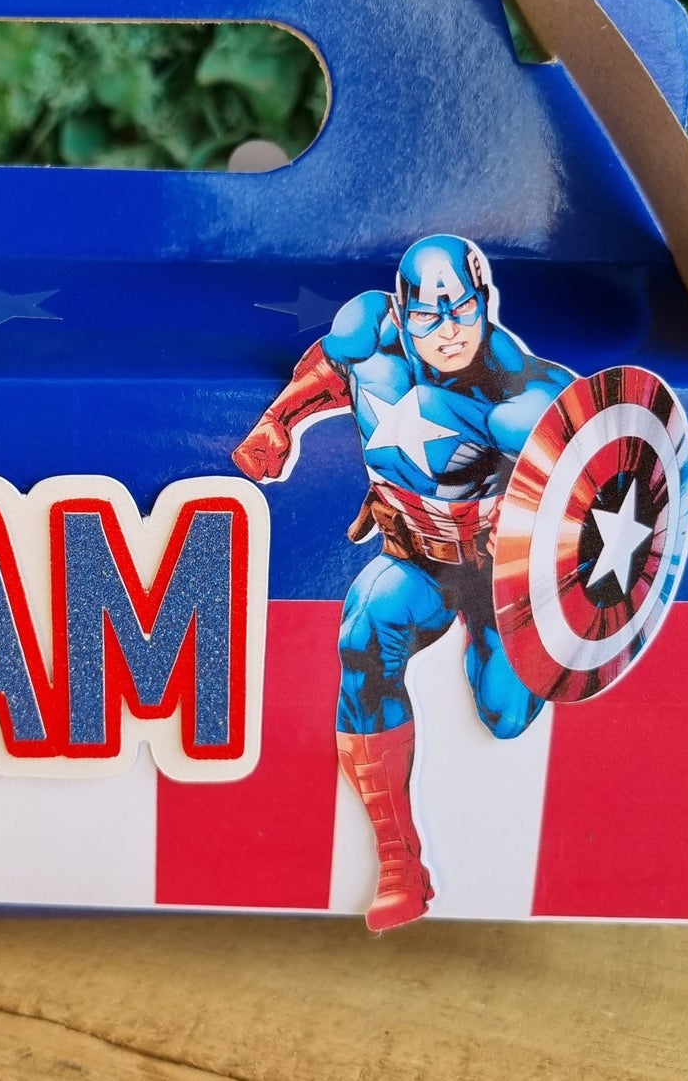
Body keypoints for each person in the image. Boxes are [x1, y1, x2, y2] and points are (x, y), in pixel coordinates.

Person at [233, 235, 573, 931]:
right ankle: (398, 859)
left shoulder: (520, 396)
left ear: (484, 302)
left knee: (504, 717)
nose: (448, 330)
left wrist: (558, 569)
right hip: (416, 557)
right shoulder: (369, 335)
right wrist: (279, 421)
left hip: (497, 575)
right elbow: (330, 366)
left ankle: (513, 654)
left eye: (462, 310)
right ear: (400, 310)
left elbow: (601, 468)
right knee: (363, 630)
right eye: (428, 314)